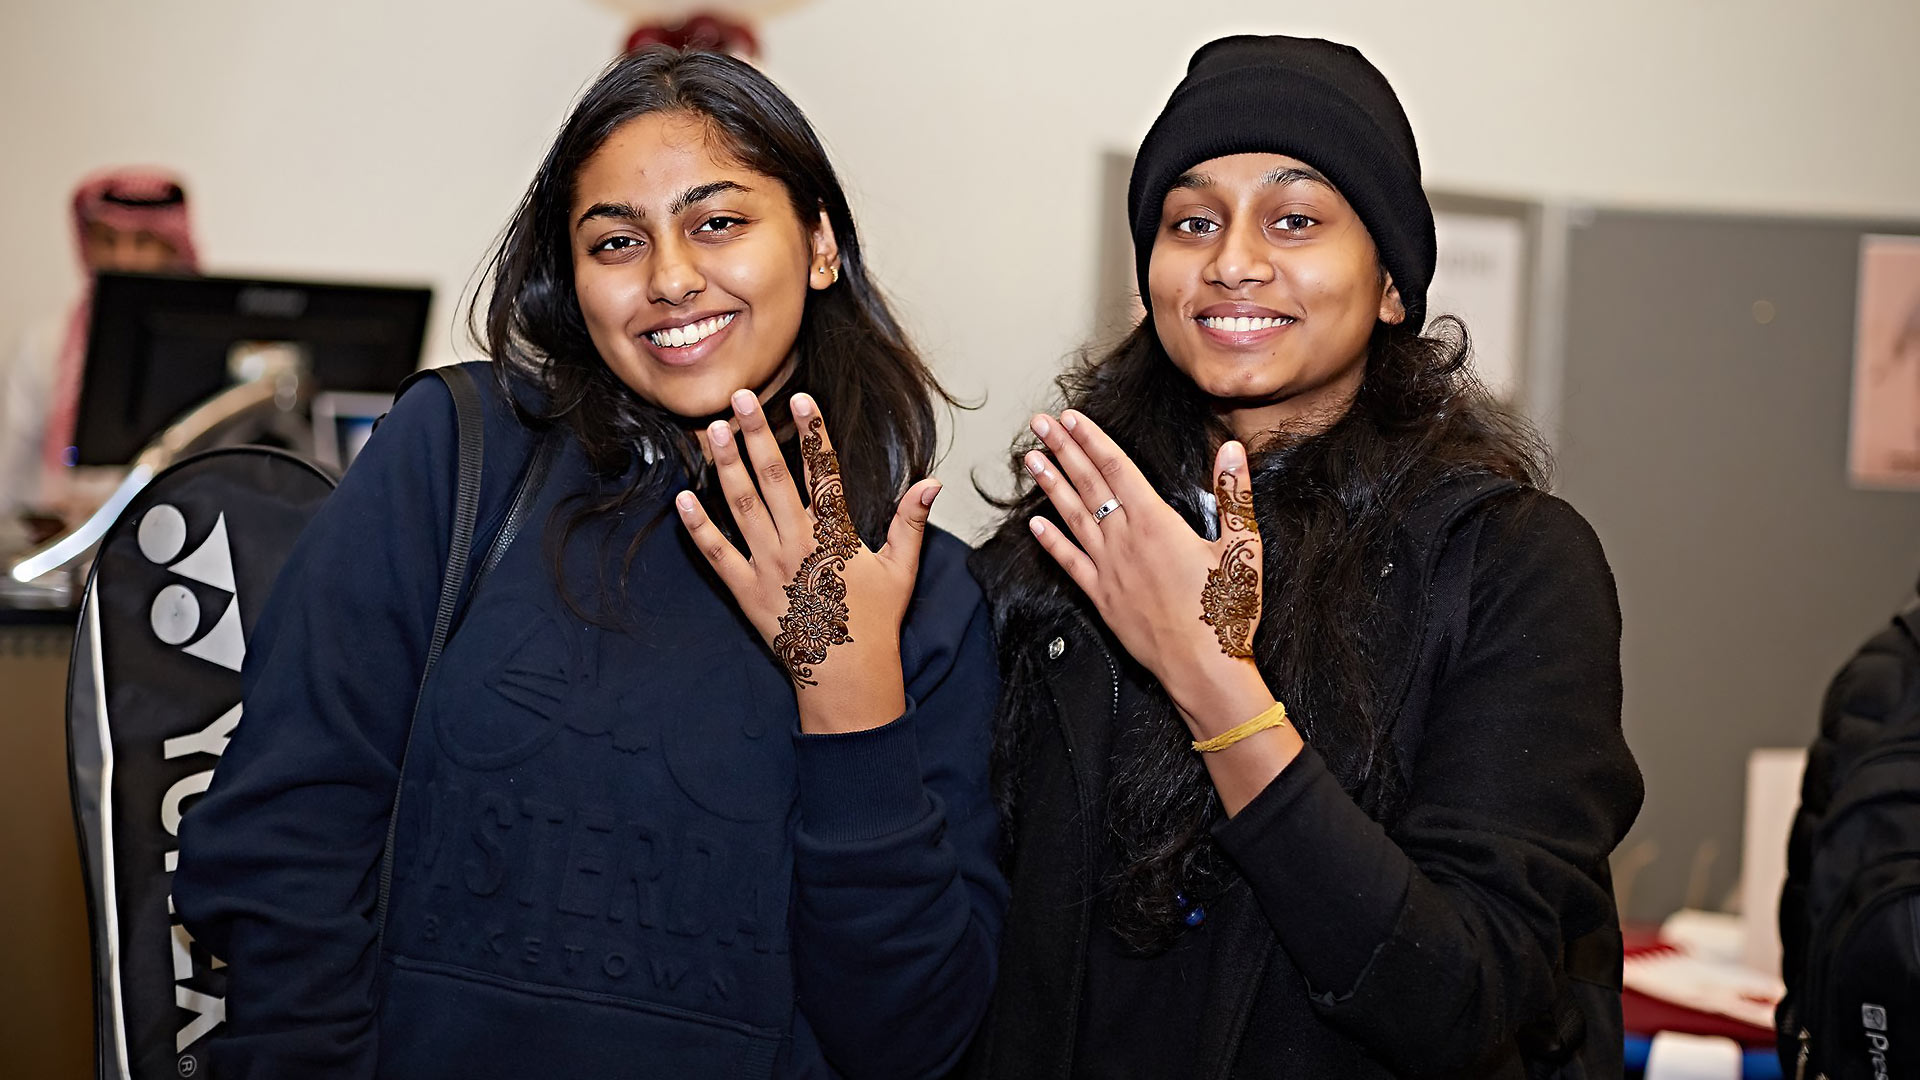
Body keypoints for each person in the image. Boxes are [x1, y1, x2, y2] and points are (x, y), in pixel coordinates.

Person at [174, 47, 1004, 1079]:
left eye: (718, 222)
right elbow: (281, 855)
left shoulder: (919, 593)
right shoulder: (454, 460)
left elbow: (917, 1038)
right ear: (573, 280)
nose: (668, 278)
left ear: (821, 244)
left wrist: (854, 714)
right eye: (617, 241)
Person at [966, 35, 1643, 1079]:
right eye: (1192, 221)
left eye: (1296, 219)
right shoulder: (1057, 544)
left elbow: (1460, 993)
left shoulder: (1509, 566)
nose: (1233, 259)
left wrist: (1209, 680)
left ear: (1388, 287)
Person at [0, 168, 198, 538]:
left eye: (142, 242)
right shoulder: (45, 345)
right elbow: (7, 481)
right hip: (64, 546)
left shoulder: (204, 353)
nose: (123, 259)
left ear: (172, 248)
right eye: (108, 240)